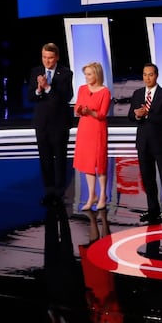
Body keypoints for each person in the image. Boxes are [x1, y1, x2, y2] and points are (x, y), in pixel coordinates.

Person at [28, 42, 74, 207]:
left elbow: (65, 98)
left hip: (60, 123)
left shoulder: (66, 73)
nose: (47, 61)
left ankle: (59, 192)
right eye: (44, 57)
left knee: (60, 158)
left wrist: (47, 87)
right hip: (42, 123)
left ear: (57, 57)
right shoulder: (36, 72)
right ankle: (49, 190)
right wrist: (39, 90)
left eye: (50, 58)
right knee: (45, 158)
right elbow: (31, 97)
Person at [128, 63, 162, 224]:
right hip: (143, 143)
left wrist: (147, 114)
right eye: (145, 74)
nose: (147, 78)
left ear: (157, 75)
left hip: (161, 143)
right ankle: (152, 209)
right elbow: (130, 116)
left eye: (151, 74)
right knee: (148, 178)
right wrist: (138, 116)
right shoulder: (137, 94)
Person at [73, 61, 111, 211]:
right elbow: (77, 107)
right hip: (84, 129)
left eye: (89, 74)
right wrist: (80, 111)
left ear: (97, 74)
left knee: (99, 163)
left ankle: (102, 196)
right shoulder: (82, 89)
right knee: (88, 163)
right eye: (85, 74)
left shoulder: (105, 92)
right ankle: (91, 196)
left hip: (98, 129)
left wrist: (90, 112)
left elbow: (102, 114)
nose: (86, 77)